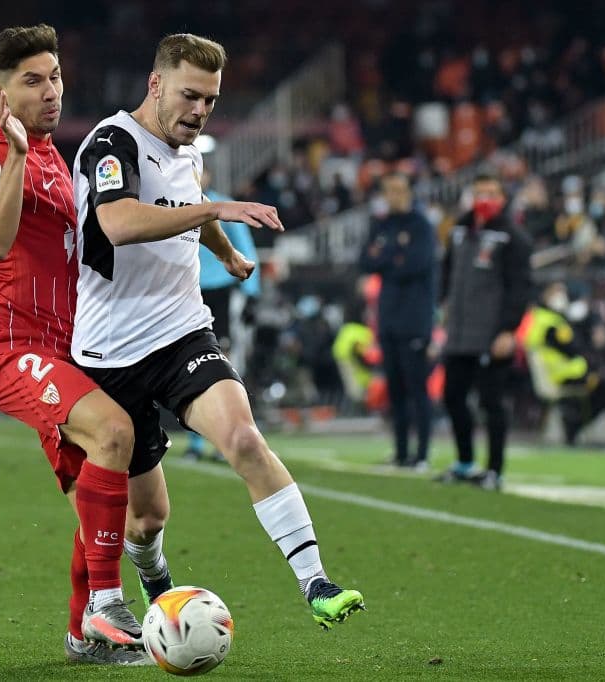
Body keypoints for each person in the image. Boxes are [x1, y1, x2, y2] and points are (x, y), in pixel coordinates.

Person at [72, 33, 364, 629]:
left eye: (210, 100)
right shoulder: (112, 142)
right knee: (147, 519)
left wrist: (226, 252)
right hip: (110, 353)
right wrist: (215, 212)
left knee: (246, 440)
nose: (201, 110)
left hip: (182, 333)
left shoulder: (188, 153)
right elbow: (119, 222)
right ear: (156, 84)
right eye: (190, 95)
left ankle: (316, 582)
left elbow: (193, 200)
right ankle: (157, 583)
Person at [0, 24, 147, 666]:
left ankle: (82, 637)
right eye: (32, 81)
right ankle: (106, 603)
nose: (51, 92)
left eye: (56, 77)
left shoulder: (54, 155)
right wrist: (16, 154)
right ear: (0, 93)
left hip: (67, 350)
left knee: (111, 516)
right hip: (13, 348)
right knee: (115, 431)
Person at [436, 174, 532, 491]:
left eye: (491, 192)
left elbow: (520, 288)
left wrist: (508, 330)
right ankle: (465, 462)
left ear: (503, 198)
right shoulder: (459, 231)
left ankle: (494, 469)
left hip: (492, 334)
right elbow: (447, 274)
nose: (484, 199)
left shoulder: (513, 237)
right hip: (459, 332)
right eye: (479, 192)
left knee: (491, 402)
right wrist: (443, 308)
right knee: (453, 396)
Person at [359, 173, 436, 469]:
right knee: (395, 390)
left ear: (409, 193)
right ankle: (402, 452)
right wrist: (395, 256)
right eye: (389, 190)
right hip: (388, 318)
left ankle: (422, 454)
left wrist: (385, 257)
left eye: (399, 190)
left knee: (417, 388)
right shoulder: (381, 225)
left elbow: (415, 265)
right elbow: (365, 262)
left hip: (415, 318)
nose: (394, 196)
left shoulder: (421, 226)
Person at [185, 164, 260, 461]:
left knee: (221, 361)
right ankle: (196, 442)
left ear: (208, 175)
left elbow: (245, 250)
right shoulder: (175, 206)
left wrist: (251, 294)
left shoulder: (223, 207)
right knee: (188, 362)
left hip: (220, 292)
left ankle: (223, 440)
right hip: (188, 291)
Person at [522, 283, 605, 445]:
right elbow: (573, 348)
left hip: (558, 373)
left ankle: (573, 419)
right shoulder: (552, 322)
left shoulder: (539, 316)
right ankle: (574, 421)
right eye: (556, 292)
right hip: (564, 374)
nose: (561, 296)